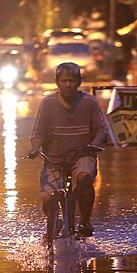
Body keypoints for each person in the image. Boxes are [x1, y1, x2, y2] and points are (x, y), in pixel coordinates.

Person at [28, 62, 107, 241]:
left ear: (79, 82)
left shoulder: (89, 102)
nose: (68, 85)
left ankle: (85, 221)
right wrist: (35, 148)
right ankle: (54, 222)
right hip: (54, 158)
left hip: (82, 154)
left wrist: (93, 145)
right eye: (64, 81)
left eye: (72, 81)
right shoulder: (47, 103)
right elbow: (38, 132)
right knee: (48, 198)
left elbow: (101, 130)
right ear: (57, 82)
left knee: (84, 178)